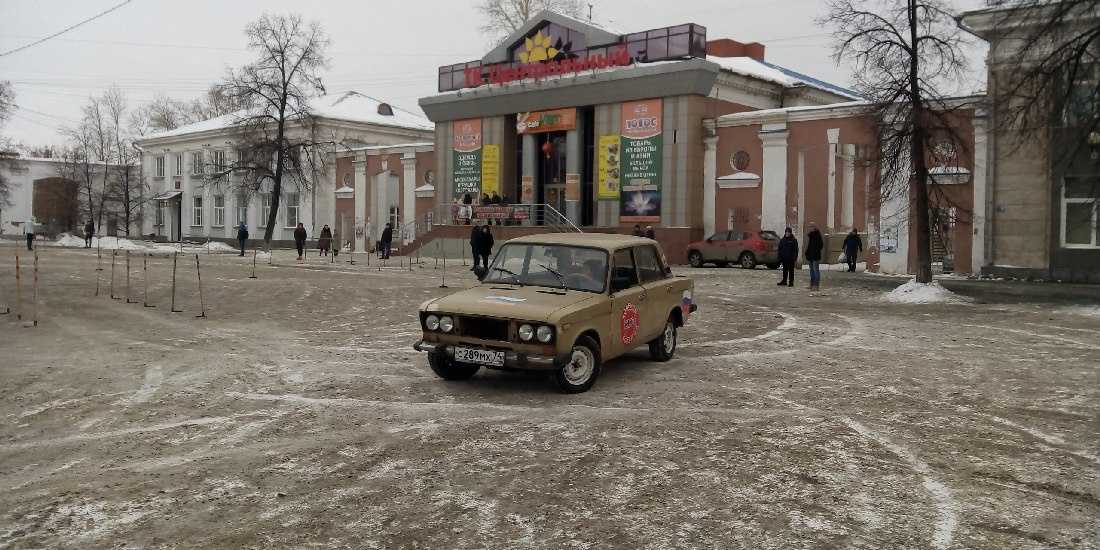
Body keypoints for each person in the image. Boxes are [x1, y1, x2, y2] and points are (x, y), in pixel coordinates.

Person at [805, 222, 824, 291]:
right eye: (809, 227)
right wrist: (807, 252)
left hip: (815, 256)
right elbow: (810, 246)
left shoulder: (817, 235)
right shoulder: (811, 235)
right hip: (810, 256)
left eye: (811, 226)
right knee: (811, 270)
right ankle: (812, 284)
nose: (809, 228)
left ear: (814, 227)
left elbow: (820, 246)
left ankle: (816, 285)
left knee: (816, 270)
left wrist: (815, 252)